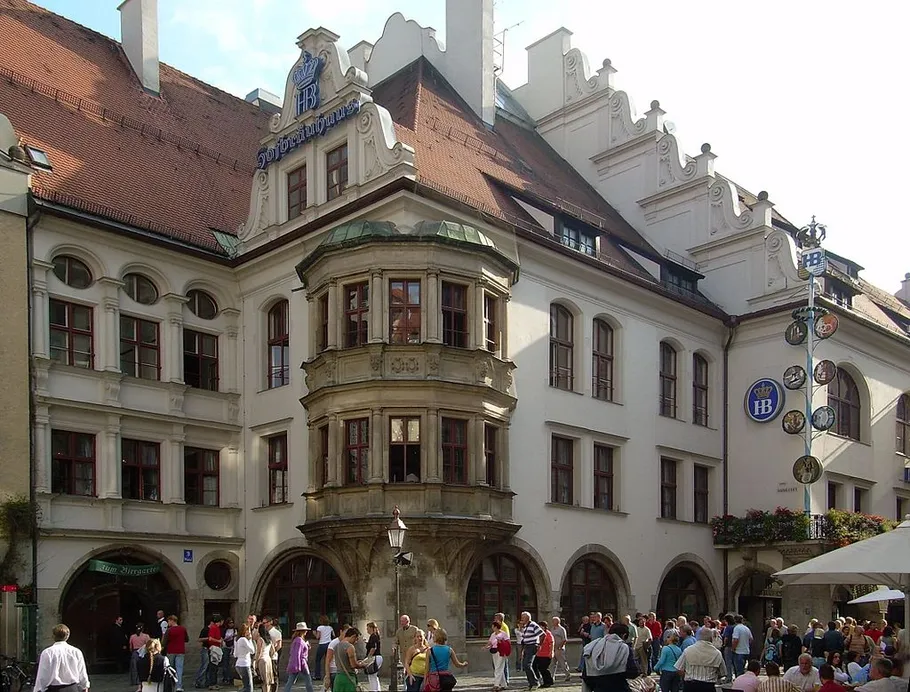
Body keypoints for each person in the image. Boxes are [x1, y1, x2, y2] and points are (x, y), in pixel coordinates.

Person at [581, 622, 639, 692]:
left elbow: (586, 676)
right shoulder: (624, 648)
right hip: (620, 687)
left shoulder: (592, 647)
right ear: (624, 635)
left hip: (599, 688)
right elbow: (633, 672)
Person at [34, 624, 90, 692]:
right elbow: (82, 672)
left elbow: (43, 675)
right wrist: (85, 686)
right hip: (72, 688)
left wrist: (38, 689)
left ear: (53, 636)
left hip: (54, 689)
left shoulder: (47, 653)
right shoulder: (76, 652)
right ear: (67, 636)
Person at [674, 627, 726, 692]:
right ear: (711, 638)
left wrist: (687, 675)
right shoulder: (717, 653)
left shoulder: (688, 650)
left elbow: (678, 668)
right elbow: (722, 673)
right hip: (708, 686)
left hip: (690, 685)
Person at [162, 615, 189, 692]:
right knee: (179, 669)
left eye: (168, 621)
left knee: (170, 669)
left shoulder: (169, 630)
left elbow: (164, 642)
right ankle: (179, 686)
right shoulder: (183, 629)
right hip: (180, 650)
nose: (168, 623)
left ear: (172, 620)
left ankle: (171, 686)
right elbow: (187, 639)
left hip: (171, 651)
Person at [284, 622, 313, 692]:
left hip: (298, 663)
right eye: (305, 630)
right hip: (300, 663)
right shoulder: (299, 640)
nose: (306, 631)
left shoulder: (298, 640)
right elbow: (296, 654)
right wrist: (297, 666)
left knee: (291, 681)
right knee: (308, 681)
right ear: (302, 631)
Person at [518, 612, 544, 689]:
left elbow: (542, 634)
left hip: (532, 646)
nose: (522, 618)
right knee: (525, 665)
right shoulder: (526, 626)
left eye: (523, 617)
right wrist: (522, 650)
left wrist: (539, 645)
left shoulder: (533, 625)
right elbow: (524, 639)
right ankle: (531, 683)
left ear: (528, 618)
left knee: (527, 664)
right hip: (527, 646)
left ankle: (535, 683)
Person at [488, 621, 510, 692]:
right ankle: (504, 685)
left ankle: (496, 685)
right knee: (498, 667)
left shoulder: (503, 634)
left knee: (498, 668)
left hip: (501, 652)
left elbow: (508, 643)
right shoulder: (493, 634)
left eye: (493, 626)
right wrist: (487, 646)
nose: (492, 627)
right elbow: (490, 642)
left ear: (496, 627)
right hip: (494, 652)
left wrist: (501, 642)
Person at [234, 625, 255, 692]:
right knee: (249, 687)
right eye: (248, 630)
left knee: (245, 686)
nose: (249, 632)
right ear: (244, 631)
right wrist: (250, 640)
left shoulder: (237, 640)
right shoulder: (244, 639)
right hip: (244, 664)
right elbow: (252, 651)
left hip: (238, 664)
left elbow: (235, 654)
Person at [206, 615, 225, 691]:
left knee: (215, 667)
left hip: (216, 648)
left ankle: (214, 683)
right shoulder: (214, 628)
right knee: (213, 667)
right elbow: (210, 638)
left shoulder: (216, 628)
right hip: (214, 649)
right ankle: (212, 684)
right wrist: (219, 641)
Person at [130, 623, 152, 690]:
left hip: (135, 652)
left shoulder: (132, 636)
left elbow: (131, 647)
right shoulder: (146, 636)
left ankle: (135, 681)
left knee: (135, 667)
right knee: (144, 667)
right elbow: (149, 645)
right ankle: (143, 679)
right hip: (143, 652)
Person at [533, 620, 555, 688]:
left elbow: (552, 643)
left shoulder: (548, 634)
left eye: (541, 626)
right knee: (534, 666)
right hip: (538, 654)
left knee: (544, 668)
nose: (539, 628)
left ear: (544, 627)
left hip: (546, 654)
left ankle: (548, 682)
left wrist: (551, 652)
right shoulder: (538, 634)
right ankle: (538, 679)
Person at [254, 623, 274, 692]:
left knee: (263, 680)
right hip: (268, 659)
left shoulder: (260, 639)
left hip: (262, 660)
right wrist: (269, 656)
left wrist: (256, 662)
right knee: (268, 680)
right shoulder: (269, 639)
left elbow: (259, 652)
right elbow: (273, 651)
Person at [364, 622, 383, 692]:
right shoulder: (375, 636)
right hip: (377, 657)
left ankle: (374, 689)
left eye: (368, 628)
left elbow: (373, 648)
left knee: (371, 676)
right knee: (374, 676)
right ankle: (377, 689)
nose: (367, 630)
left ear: (372, 628)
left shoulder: (373, 636)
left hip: (374, 657)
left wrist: (368, 658)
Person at [313, 617, 334, 681]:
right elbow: (333, 635)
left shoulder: (320, 627)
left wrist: (314, 633)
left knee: (318, 660)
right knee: (328, 660)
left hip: (322, 644)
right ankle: (329, 674)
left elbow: (317, 637)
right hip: (329, 644)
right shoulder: (330, 627)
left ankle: (317, 675)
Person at [551, 617, 570, 682]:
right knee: (553, 664)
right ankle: (552, 677)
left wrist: (560, 646)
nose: (552, 622)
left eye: (554, 621)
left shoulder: (561, 629)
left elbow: (564, 639)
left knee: (562, 663)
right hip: (553, 648)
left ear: (557, 622)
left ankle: (567, 675)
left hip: (559, 649)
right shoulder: (552, 629)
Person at [266, 617, 283, 683]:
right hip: (264, 655)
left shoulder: (276, 632)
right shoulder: (263, 631)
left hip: (273, 656)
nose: (264, 624)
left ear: (270, 622)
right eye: (263, 623)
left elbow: (279, 645)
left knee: (274, 673)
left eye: (266, 623)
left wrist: (273, 652)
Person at [221, 618, 237, 685]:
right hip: (226, 647)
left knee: (232, 664)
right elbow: (222, 638)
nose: (231, 624)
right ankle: (225, 678)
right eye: (230, 623)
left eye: (232, 622)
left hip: (232, 647)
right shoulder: (224, 630)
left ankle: (231, 678)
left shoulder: (235, 630)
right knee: (225, 663)